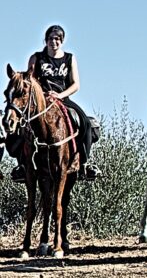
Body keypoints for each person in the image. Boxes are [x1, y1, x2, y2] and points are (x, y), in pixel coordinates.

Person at [25, 25, 100, 178]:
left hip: (63, 99)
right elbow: (30, 81)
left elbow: (76, 84)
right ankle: (23, 164)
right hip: (42, 101)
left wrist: (60, 95)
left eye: (57, 39)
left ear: (62, 41)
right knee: (22, 124)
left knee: (85, 122)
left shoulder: (69, 58)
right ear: (45, 40)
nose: (54, 42)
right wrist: (43, 94)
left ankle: (84, 163)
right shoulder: (36, 58)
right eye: (51, 38)